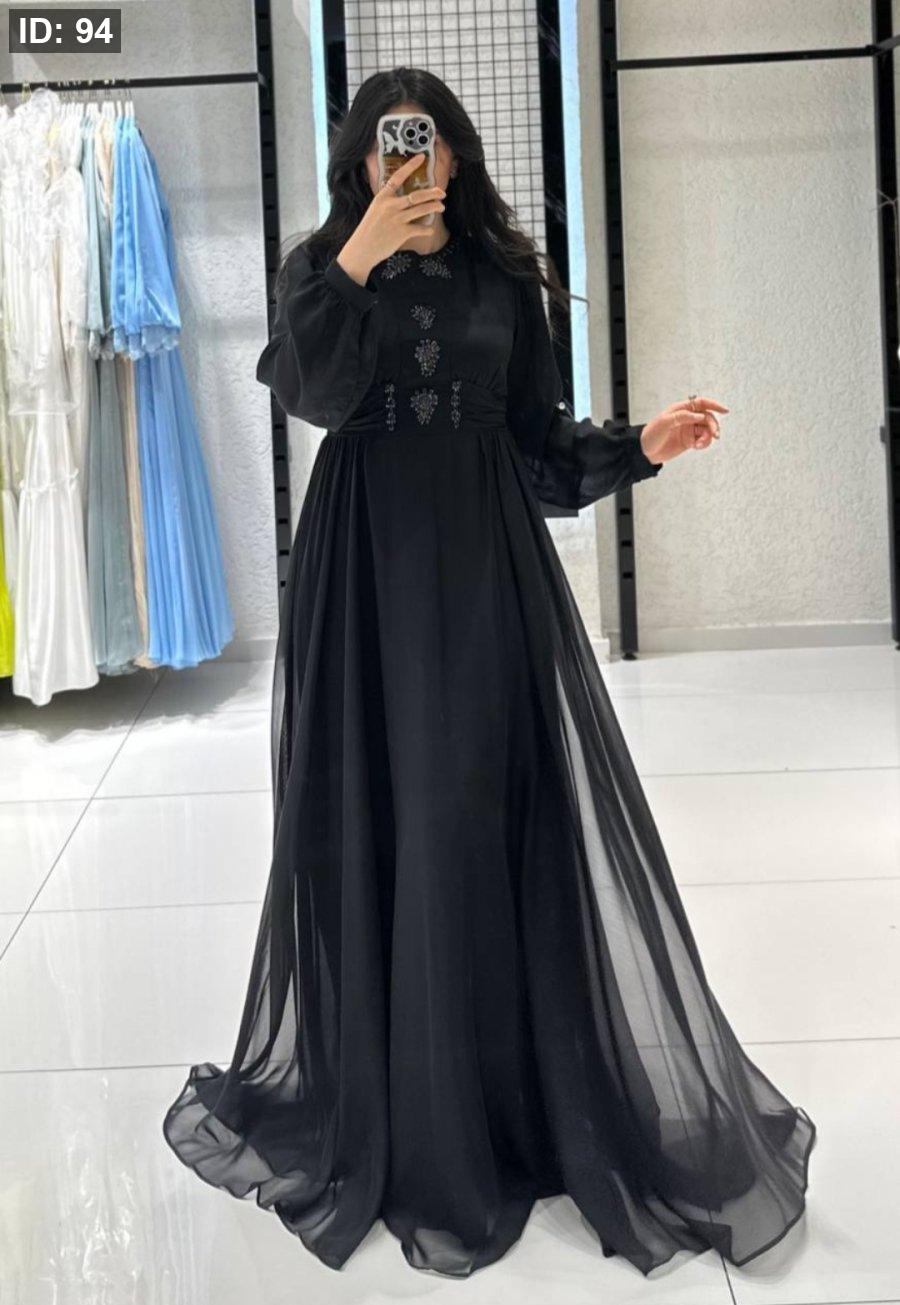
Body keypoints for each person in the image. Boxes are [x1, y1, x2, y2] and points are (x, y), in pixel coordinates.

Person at [163, 67, 816, 1279]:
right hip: (364, 579)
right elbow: (308, 392)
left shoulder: (505, 280)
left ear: (455, 156)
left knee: (477, 806)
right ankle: (399, 1098)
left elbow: (537, 453)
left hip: (482, 574)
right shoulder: (320, 271)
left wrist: (639, 445)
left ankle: (506, 1093)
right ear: (359, 163)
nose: (405, 162)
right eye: (383, 146)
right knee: (376, 814)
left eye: (425, 144)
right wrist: (358, 258)